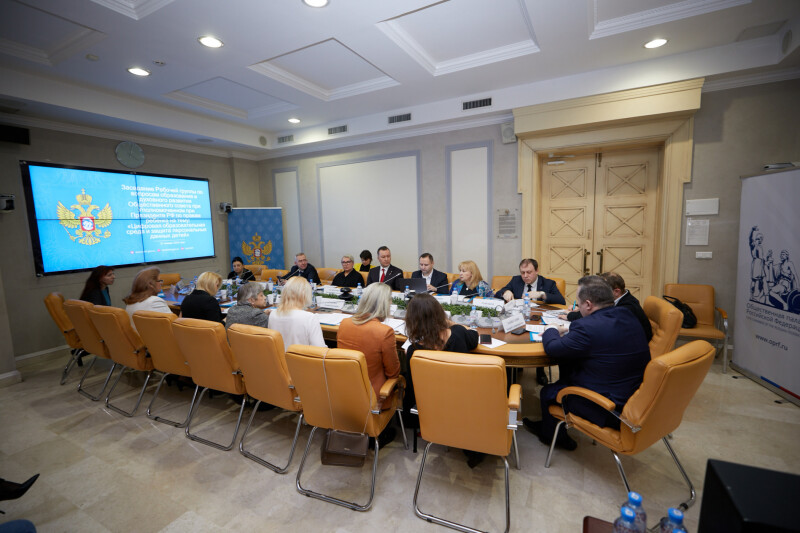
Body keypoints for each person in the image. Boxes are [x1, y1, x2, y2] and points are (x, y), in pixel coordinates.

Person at [525, 276, 650, 451]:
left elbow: (553, 348)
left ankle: (553, 437)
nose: (577, 306)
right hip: (635, 397)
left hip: (610, 409)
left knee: (548, 391)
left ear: (589, 305)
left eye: (578, 302)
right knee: (569, 365)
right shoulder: (627, 313)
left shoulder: (587, 327)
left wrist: (550, 328)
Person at [403, 293, 480, 463]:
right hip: (464, 403)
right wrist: (452, 323)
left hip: (432, 406)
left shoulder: (414, 350)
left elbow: (412, 386)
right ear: (440, 314)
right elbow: (474, 338)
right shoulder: (458, 334)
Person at [337, 283, 401, 447]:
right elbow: (393, 373)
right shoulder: (384, 332)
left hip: (345, 391)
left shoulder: (344, 323)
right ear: (384, 304)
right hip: (374, 396)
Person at [562, 272, 652, 342]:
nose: (599, 293)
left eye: (603, 290)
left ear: (616, 291)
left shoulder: (627, 308)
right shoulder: (619, 299)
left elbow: (598, 319)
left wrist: (571, 315)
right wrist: (581, 306)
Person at [268, 276, 325, 350]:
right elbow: (320, 350)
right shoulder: (310, 318)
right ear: (305, 294)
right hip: (301, 357)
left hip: (279, 357)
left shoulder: (273, 314)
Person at [498, 258, 566, 305]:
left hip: (538, 315)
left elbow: (562, 301)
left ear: (537, 271)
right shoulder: (516, 280)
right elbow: (497, 294)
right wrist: (505, 292)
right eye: (522, 272)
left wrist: (542, 294)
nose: (525, 276)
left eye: (529, 272)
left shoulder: (548, 283)